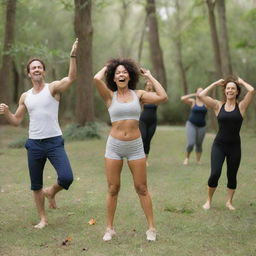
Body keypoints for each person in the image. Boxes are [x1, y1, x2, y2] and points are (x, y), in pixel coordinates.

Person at [0, 39, 78, 228]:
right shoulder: (25, 96)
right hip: (34, 144)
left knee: (67, 177)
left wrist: (73, 56)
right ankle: (42, 218)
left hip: (54, 141)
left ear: (43, 71)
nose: (36, 69)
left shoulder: (53, 88)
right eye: (33, 67)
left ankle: (51, 191)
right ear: (28, 73)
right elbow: (17, 120)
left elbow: (71, 78)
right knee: (36, 184)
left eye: (39, 67)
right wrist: (8, 113)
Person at [93, 58, 168, 241]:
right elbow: (96, 79)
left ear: (130, 76)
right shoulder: (110, 96)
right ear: (113, 76)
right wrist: (108, 66)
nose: (121, 74)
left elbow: (163, 96)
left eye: (124, 72)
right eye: (117, 72)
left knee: (142, 188)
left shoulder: (139, 94)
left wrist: (149, 75)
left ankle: (151, 228)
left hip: (135, 146)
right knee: (113, 188)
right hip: (114, 146)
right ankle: (109, 229)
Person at [198, 76, 254, 210]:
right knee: (215, 173)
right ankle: (209, 201)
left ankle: (229, 202)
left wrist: (242, 82)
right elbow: (201, 95)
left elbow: (252, 91)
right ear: (225, 91)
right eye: (228, 88)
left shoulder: (241, 106)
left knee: (232, 174)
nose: (230, 90)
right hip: (219, 146)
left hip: (235, 146)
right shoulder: (218, 105)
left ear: (237, 91)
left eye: (233, 88)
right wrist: (215, 83)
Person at [180, 88, 207, 165]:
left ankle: (198, 160)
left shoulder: (206, 102)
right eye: (199, 91)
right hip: (191, 124)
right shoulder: (193, 101)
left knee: (199, 144)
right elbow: (182, 98)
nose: (200, 92)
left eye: (202, 91)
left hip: (202, 126)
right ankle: (187, 158)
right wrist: (193, 94)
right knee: (191, 143)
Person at [139, 80, 158, 166]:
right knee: (142, 138)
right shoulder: (142, 95)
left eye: (151, 84)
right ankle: (140, 158)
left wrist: (152, 91)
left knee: (148, 140)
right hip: (143, 120)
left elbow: (161, 98)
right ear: (145, 86)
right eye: (148, 85)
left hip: (153, 121)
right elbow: (140, 107)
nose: (149, 86)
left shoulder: (156, 95)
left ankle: (146, 160)